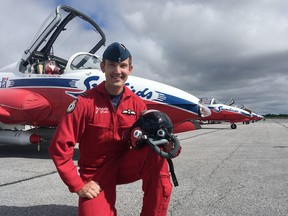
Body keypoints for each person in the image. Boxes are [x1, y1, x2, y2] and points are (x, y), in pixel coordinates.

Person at [49, 42, 178, 216]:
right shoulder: (85, 103)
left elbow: (155, 139)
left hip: (126, 165)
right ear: (103, 67)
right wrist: (78, 185)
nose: (117, 71)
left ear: (130, 69)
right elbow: (59, 147)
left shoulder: (137, 104)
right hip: (96, 174)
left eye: (123, 66)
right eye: (112, 65)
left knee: (156, 153)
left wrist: (171, 147)